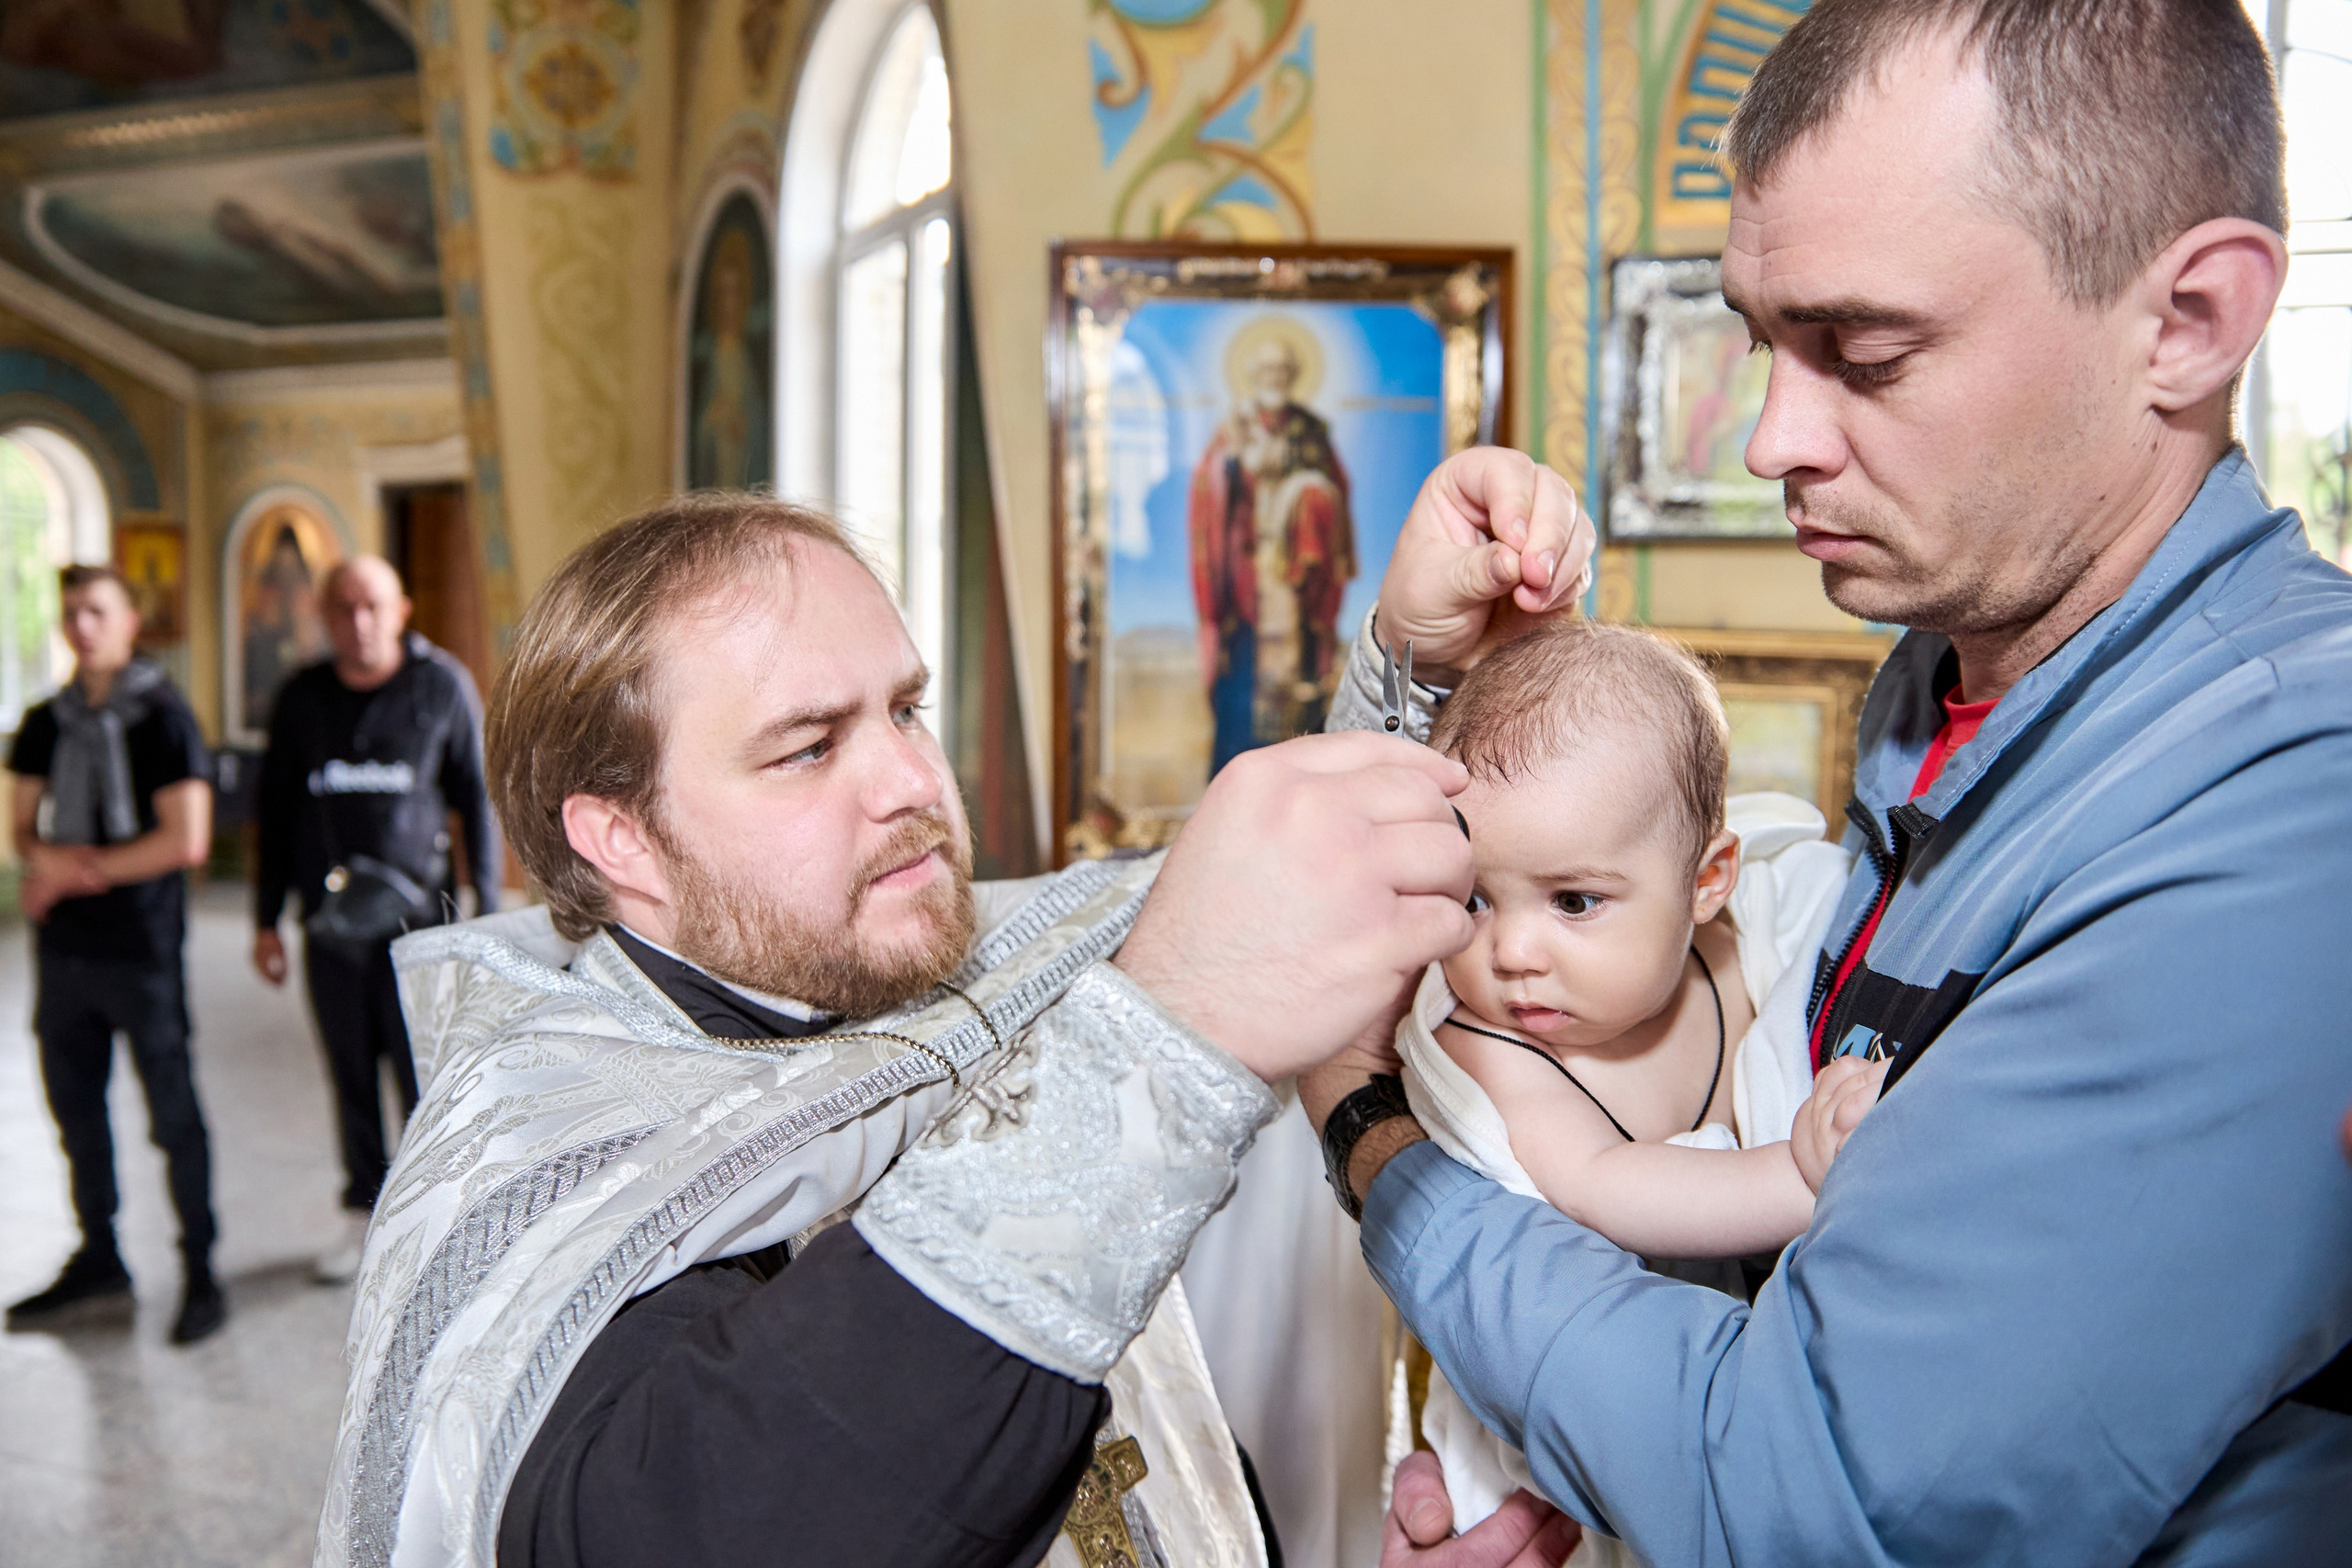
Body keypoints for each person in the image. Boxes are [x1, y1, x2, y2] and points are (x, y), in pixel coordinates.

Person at [1301, 2, 2352, 1562]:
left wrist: (1377, 1136)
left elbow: (1809, 1501)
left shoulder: (2286, 804)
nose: (1774, 437)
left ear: (2189, 319)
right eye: (1762, 343)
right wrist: (1434, 675)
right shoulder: (1951, 679)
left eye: (1863, 353)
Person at [314, 494, 1487, 1568]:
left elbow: (1254, 914)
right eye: (808, 747)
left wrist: (1415, 661)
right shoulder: (539, 1162)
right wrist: (1165, 1038)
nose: (911, 781)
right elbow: (700, 1522)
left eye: (906, 709)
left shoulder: (950, 972)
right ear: (620, 841)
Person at [1379, 624, 1881, 1544]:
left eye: (1574, 901)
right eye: (1475, 898)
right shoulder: (1492, 1049)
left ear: (1707, 883)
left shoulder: (1752, 950)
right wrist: (1801, 1178)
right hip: (1571, 1432)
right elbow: (1608, 1186)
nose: (1512, 953)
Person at [253, 555, 497, 1283]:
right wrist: (264, 922)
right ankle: (363, 1215)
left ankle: (433, 1221)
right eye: (343, 609)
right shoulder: (302, 698)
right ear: (324, 617)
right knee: (350, 1071)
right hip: (331, 929)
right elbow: (276, 813)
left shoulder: (441, 685)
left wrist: (482, 905)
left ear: (401, 610)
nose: (358, 623)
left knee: (425, 1075)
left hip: (420, 927)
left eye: (372, 607)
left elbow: (475, 799)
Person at [4, 564, 220, 1345]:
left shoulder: (162, 717)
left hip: (141, 951)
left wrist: (73, 868)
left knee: (173, 1117)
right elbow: (21, 826)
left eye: (97, 609)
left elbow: (185, 838)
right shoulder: (43, 721)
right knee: (77, 1110)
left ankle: (201, 1268)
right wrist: (46, 858)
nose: (81, 625)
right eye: (70, 612)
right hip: (64, 953)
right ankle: (100, 1256)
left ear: (131, 621)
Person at [1190, 330, 1357, 769]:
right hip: (1248, 587)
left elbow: (1336, 492)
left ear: (1295, 375)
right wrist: (1231, 469)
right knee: (1242, 702)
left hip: (1298, 584)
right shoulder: (1233, 429)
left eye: (1282, 370)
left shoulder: (1313, 432)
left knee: (1299, 700)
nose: (1274, 377)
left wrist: (1308, 497)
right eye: (1265, 369)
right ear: (1251, 375)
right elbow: (1209, 497)